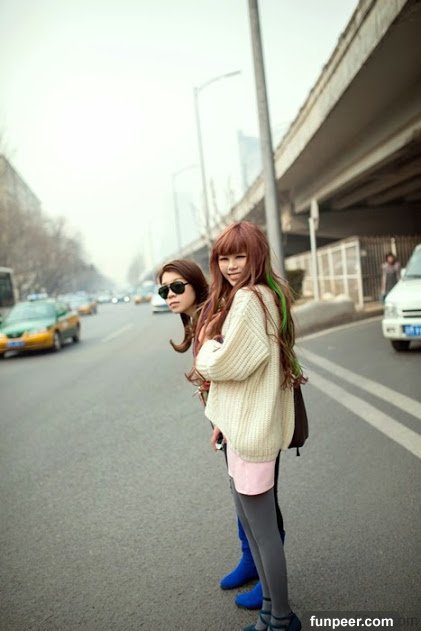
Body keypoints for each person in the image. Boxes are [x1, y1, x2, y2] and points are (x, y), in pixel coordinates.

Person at [193, 221, 303, 631]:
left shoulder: (249, 299)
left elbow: (228, 365)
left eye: (240, 256)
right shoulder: (266, 295)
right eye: (224, 258)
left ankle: (281, 618)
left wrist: (207, 346)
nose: (232, 265)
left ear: (257, 255)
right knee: (257, 530)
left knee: (263, 533)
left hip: (252, 434)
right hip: (244, 427)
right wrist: (223, 419)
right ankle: (269, 614)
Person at [157, 259, 286, 611]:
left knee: (260, 500)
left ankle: (270, 584)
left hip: (250, 420)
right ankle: (251, 560)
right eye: (164, 290)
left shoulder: (215, 316)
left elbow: (236, 367)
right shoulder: (197, 318)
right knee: (242, 497)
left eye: (177, 287)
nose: (170, 295)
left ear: (197, 284)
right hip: (227, 420)